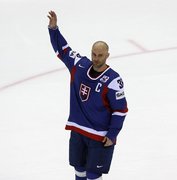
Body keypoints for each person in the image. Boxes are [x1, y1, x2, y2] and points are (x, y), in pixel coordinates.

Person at [47, 10, 128, 180]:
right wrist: (53, 30)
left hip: (99, 136)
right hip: (78, 129)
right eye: (94, 54)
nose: (96, 58)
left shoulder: (113, 80)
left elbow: (120, 110)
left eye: (100, 55)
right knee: (79, 170)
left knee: (93, 174)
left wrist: (112, 134)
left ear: (107, 56)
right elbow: (64, 51)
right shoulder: (80, 66)